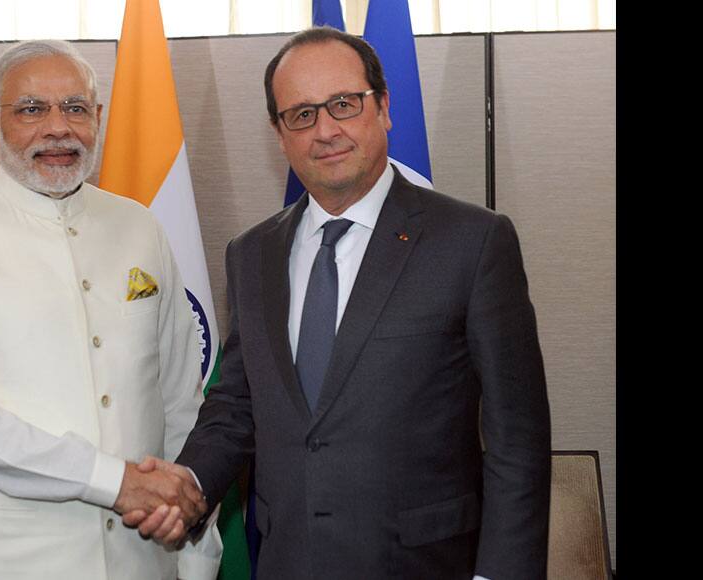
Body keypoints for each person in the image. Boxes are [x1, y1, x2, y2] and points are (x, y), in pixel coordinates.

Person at [131, 27, 551, 580]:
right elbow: (238, 405)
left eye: (344, 104)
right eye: (301, 114)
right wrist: (190, 482)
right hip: (288, 562)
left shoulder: (472, 242)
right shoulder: (251, 254)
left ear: (384, 108)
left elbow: (517, 439)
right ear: (279, 134)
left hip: (425, 563)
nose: (325, 130)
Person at [0, 39, 219, 580]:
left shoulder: (140, 225)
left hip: (143, 556)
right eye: (31, 109)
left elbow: (180, 396)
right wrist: (112, 481)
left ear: (98, 118)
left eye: (74, 108)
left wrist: (194, 548)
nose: (57, 128)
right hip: (0, 558)